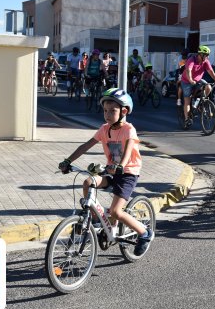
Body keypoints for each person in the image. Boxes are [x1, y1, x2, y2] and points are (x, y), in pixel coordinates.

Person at [58, 88, 153, 256]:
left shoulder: (129, 129)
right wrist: (68, 161)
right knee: (88, 182)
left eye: (112, 111)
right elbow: (85, 146)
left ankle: (145, 234)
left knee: (116, 211)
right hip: (111, 171)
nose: (107, 115)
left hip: (128, 173)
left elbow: (128, 151)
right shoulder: (104, 129)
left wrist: (121, 165)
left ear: (124, 111)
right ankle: (95, 219)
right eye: (105, 111)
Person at [181, 45, 215, 127]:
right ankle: (186, 119)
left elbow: (211, 71)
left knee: (208, 86)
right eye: (206, 55)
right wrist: (191, 80)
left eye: (208, 55)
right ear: (200, 54)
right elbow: (188, 70)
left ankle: (201, 101)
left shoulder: (205, 61)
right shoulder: (192, 60)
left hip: (198, 80)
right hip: (187, 80)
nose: (207, 57)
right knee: (187, 100)